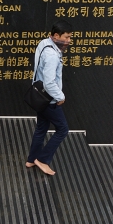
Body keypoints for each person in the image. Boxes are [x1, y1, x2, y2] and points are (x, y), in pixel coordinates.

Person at [25, 19, 72, 175]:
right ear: (56, 36)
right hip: (49, 99)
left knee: (41, 128)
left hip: (39, 96)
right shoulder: (52, 55)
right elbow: (49, 81)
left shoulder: (44, 43)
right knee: (63, 129)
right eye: (66, 37)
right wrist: (60, 96)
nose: (69, 41)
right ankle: (43, 160)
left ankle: (32, 159)